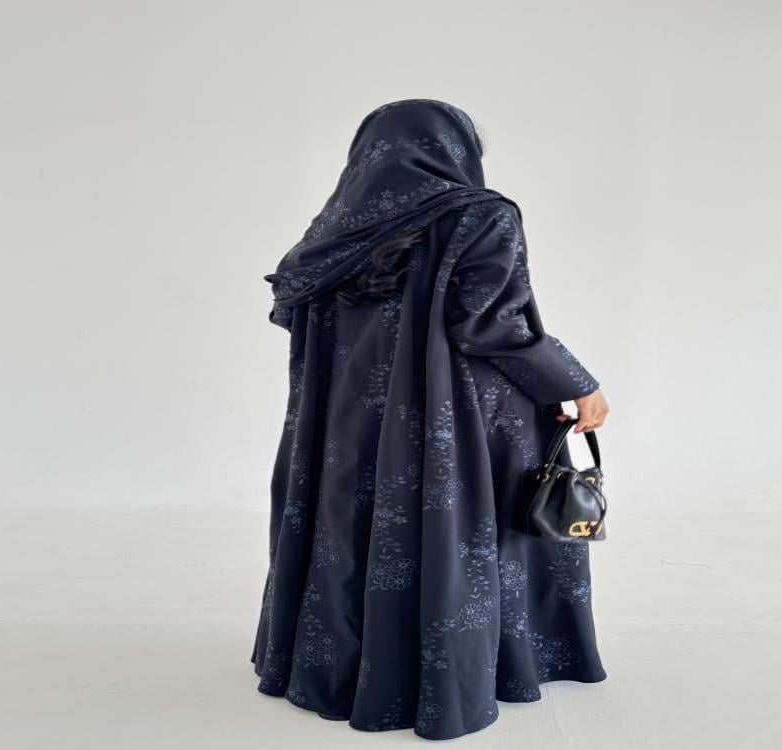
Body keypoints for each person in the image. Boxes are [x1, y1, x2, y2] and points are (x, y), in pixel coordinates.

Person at [250, 98, 610, 740]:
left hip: (346, 428)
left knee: (352, 532)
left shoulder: (330, 235)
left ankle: (344, 671)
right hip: (460, 421)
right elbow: (491, 324)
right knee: (465, 529)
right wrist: (576, 383)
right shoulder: (481, 214)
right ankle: (461, 674)